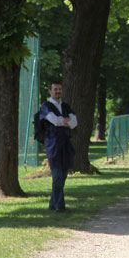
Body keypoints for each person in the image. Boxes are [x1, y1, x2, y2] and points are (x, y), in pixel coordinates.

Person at [38, 81, 76, 212]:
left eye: (60, 89)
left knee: (64, 174)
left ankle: (52, 204)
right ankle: (59, 205)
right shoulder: (46, 106)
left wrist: (62, 121)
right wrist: (64, 120)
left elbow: (74, 123)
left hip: (65, 144)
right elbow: (54, 120)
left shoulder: (65, 106)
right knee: (57, 175)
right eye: (55, 89)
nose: (58, 91)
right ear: (50, 91)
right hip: (53, 144)